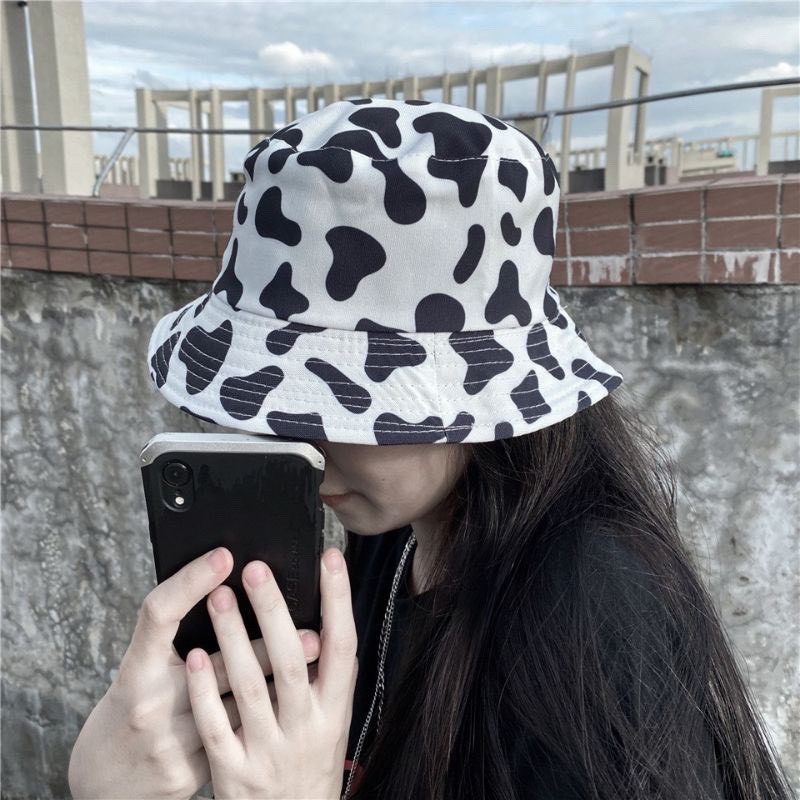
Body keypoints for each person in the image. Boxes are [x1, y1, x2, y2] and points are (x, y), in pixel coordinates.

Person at [69, 98, 794, 800]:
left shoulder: (590, 624)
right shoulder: (394, 535)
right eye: (270, 401)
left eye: (338, 404)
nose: (294, 442)